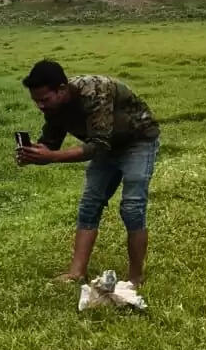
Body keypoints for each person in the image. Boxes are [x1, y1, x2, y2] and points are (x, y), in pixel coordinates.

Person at [16, 60, 160, 287]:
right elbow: (51, 144)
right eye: (36, 101)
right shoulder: (55, 107)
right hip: (104, 144)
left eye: (44, 100)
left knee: (132, 207)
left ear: (62, 89)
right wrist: (36, 153)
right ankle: (76, 272)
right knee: (90, 204)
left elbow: (98, 146)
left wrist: (51, 157)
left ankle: (135, 277)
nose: (40, 106)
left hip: (137, 141)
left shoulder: (94, 91)